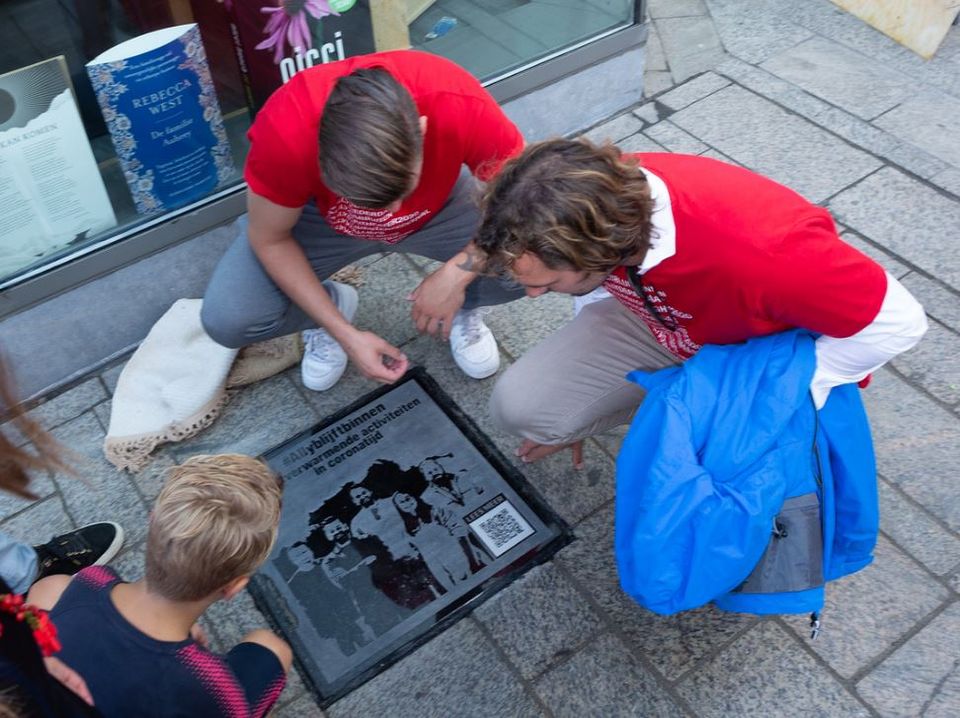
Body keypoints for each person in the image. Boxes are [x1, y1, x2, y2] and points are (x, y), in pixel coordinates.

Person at [474, 139, 928, 466]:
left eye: (548, 284)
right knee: (521, 408)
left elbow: (899, 321)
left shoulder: (767, 254)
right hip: (660, 321)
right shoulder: (597, 199)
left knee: (712, 471)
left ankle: (692, 413)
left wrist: (779, 392)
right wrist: (581, 410)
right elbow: (595, 286)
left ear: (597, 252)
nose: (533, 295)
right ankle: (676, 403)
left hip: (752, 355)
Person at [201, 50, 526, 391]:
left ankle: (464, 304)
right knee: (231, 318)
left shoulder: (455, 98)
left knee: (533, 257)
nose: (391, 213)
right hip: (322, 220)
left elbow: (526, 204)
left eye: (400, 191)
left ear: (421, 129)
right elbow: (270, 239)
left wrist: (458, 273)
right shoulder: (285, 134)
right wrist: (344, 332)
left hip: (440, 206)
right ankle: (328, 307)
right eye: (372, 201)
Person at [26, 454, 293, 718]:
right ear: (234, 586)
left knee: (52, 585)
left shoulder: (92, 579)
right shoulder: (217, 688)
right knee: (272, 646)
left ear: (152, 519)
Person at [392, 492, 471, 593]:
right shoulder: (405, 529)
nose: (407, 503)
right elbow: (408, 549)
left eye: (408, 498)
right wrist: (413, 554)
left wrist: (455, 535)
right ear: (398, 507)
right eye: (402, 502)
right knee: (450, 586)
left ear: (414, 497)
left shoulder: (434, 511)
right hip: (432, 559)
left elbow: (455, 524)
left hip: (450, 549)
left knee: (464, 575)